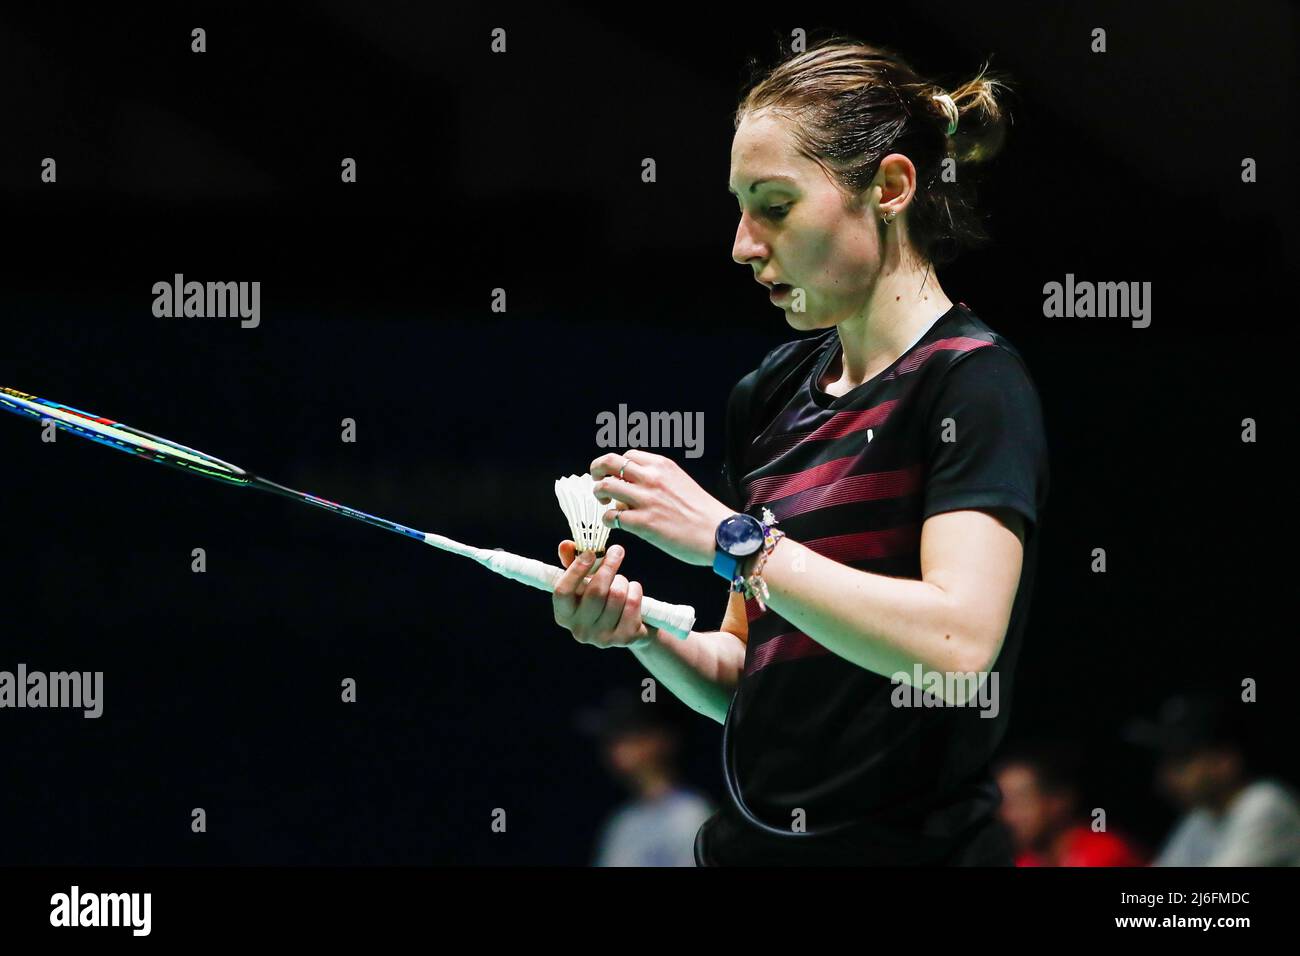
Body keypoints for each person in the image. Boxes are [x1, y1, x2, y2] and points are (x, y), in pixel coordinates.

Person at [552, 37, 1049, 865]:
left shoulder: (972, 386)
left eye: (774, 206)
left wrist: (730, 539)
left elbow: (957, 646)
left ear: (889, 187)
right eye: (741, 207)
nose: (744, 245)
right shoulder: (770, 397)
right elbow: (746, 671)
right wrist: (640, 633)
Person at [1126, 694, 1300, 867]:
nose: (1168, 777)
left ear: (1225, 760)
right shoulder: (1200, 817)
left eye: (1182, 761)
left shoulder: (1266, 806)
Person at [579, 689, 713, 867]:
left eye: (624, 736)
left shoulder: (691, 814)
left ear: (660, 739)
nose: (612, 748)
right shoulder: (623, 822)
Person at [994, 743, 1147, 866]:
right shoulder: (1023, 862)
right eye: (1003, 803)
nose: (1008, 816)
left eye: (1020, 801)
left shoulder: (1104, 853)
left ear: (1058, 801)